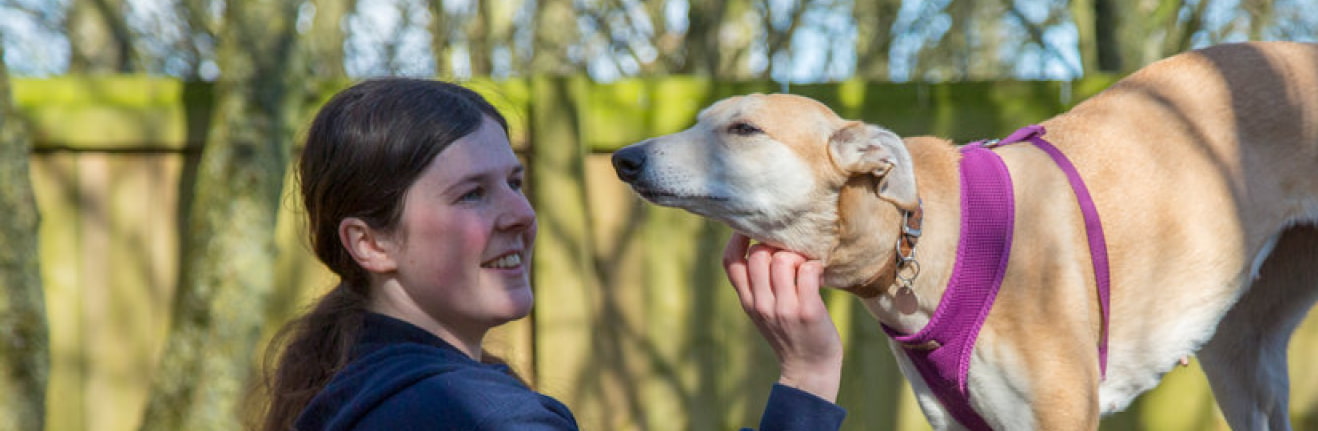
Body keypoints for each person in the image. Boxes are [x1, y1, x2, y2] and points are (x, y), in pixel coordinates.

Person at [258, 77, 845, 431]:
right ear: (370, 243)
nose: (520, 214)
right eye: (471, 194)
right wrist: (809, 378)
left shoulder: (352, 386)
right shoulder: (471, 414)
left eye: (514, 182)